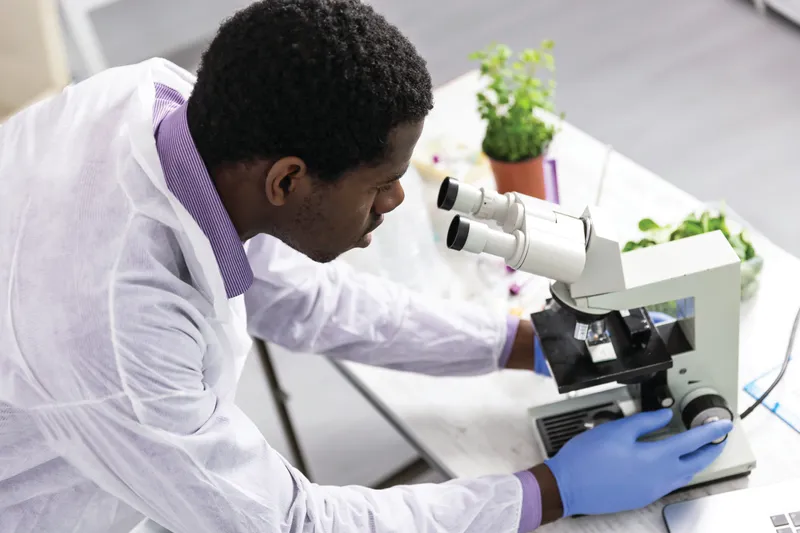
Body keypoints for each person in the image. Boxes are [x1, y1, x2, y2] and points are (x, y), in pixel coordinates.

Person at [0, 1, 733, 532]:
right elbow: (289, 523)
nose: (396, 200)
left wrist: (524, 343)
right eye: (379, 182)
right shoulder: (116, 329)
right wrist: (547, 490)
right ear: (289, 179)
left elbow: (305, 300)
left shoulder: (166, 111)